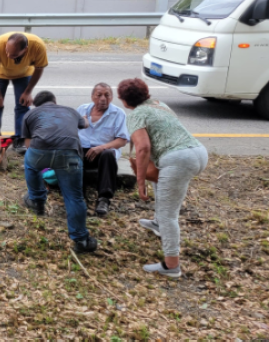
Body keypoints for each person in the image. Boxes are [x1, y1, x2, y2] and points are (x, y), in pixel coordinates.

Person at [117, 78, 208, 279]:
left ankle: (171, 266)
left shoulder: (136, 115)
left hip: (178, 159)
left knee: (169, 215)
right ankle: (158, 224)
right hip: (198, 152)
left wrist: (140, 181)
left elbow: (143, 148)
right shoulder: (160, 105)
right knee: (161, 183)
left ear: (124, 101)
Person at [21, 91, 97, 254]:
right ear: (55, 101)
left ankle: (37, 200)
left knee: (30, 163)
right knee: (74, 196)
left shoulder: (30, 114)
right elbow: (85, 124)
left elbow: (28, 144)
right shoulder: (70, 110)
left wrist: (42, 160)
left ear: (36, 105)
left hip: (40, 150)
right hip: (69, 152)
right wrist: (84, 119)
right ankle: (82, 240)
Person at [0, 32, 49, 151]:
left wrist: (28, 92)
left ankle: (20, 138)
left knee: (23, 104)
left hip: (23, 74)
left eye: (13, 54)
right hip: (0, 74)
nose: (8, 55)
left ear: (25, 50)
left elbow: (39, 68)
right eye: (7, 51)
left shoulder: (38, 46)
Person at [76, 83, 130, 217]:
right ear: (93, 96)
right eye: (99, 95)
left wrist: (102, 147)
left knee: (108, 154)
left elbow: (122, 140)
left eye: (107, 95)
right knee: (73, 154)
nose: (103, 99)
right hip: (83, 150)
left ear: (111, 97)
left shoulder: (118, 113)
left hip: (104, 151)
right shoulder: (81, 110)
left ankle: (104, 199)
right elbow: (70, 132)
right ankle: (79, 198)